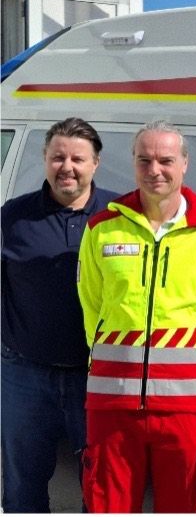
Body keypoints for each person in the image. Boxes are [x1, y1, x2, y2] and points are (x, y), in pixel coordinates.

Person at [77, 120, 196, 512]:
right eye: (144, 160)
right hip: (112, 397)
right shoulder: (102, 228)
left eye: (165, 160)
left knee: (181, 502)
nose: (155, 170)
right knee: (108, 503)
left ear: (184, 164)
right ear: (133, 162)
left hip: (185, 400)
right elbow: (91, 304)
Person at [1, 118, 117, 513]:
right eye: (57, 157)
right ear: (45, 159)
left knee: (101, 488)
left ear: (96, 163)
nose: (67, 167)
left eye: (77, 159)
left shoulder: (119, 217)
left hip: (98, 376)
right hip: (24, 377)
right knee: (22, 488)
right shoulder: (12, 217)